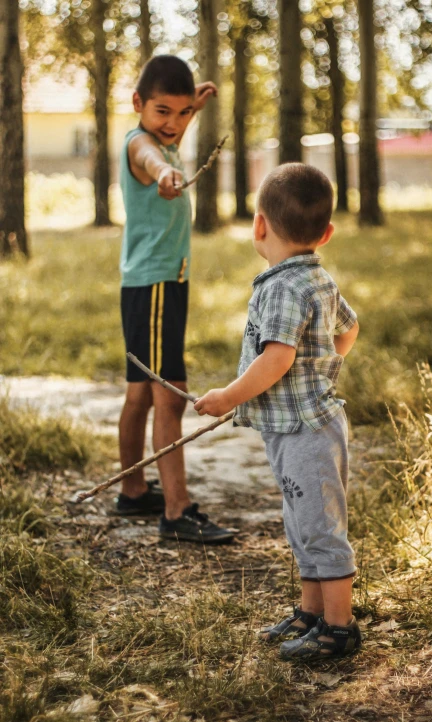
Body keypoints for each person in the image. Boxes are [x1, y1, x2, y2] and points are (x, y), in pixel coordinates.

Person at [194, 163, 361, 660]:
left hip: (306, 429)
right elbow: (348, 330)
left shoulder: (281, 287)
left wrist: (229, 396)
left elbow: (278, 357)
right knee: (303, 520)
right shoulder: (317, 278)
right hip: (301, 426)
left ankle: (339, 628)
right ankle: (312, 613)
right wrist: (326, 365)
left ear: (259, 226)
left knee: (321, 527)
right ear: (326, 233)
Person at [116, 54, 235, 545]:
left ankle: (132, 490)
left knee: (142, 393)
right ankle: (176, 509)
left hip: (149, 283)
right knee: (170, 393)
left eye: (183, 113)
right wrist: (164, 175)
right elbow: (152, 157)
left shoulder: (162, 134)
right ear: (138, 104)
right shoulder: (141, 146)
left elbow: (166, 142)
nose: (174, 123)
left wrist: (195, 109)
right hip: (158, 285)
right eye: (163, 111)